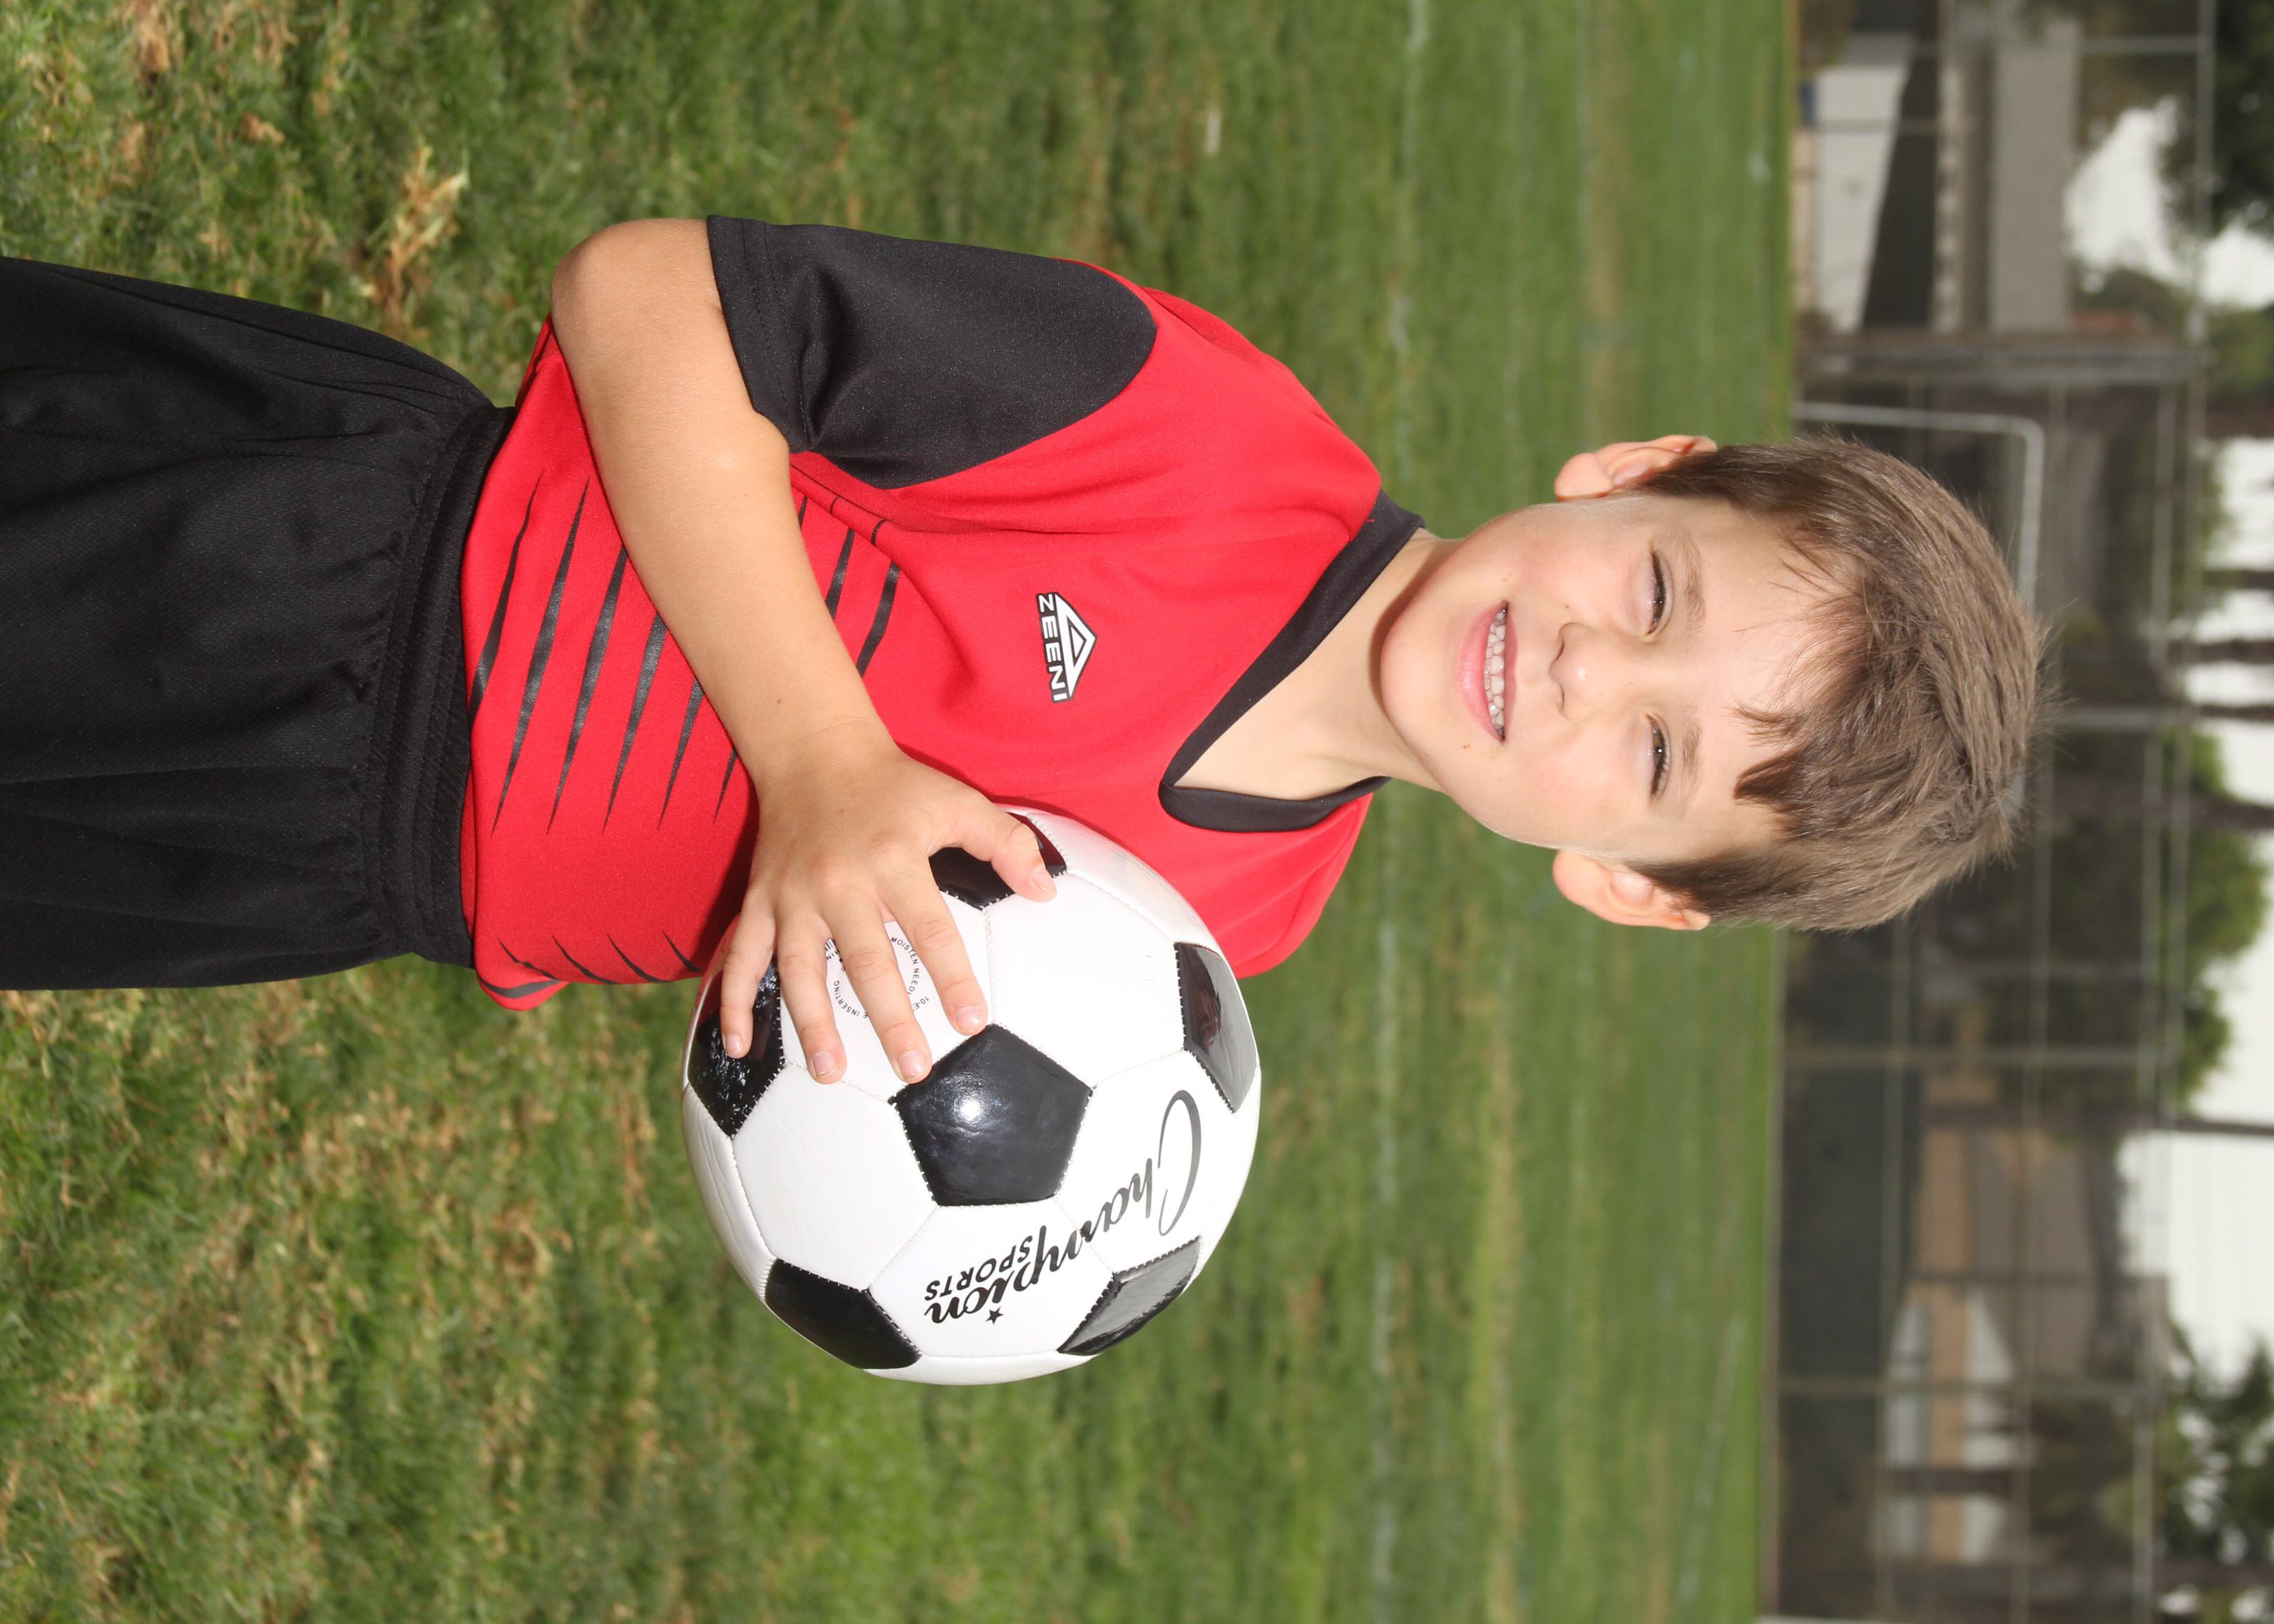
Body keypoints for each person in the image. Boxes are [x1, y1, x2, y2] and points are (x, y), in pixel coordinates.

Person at [0, 218, 2039, 1086]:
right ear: (1638, 470)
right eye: (1657, 592)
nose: (1589, 670)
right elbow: (645, 292)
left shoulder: (1211, 936)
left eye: (1658, 763)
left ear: (1625, 885)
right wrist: (824, 765)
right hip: (318, 555)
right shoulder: (1194, 435)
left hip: (334, 877)